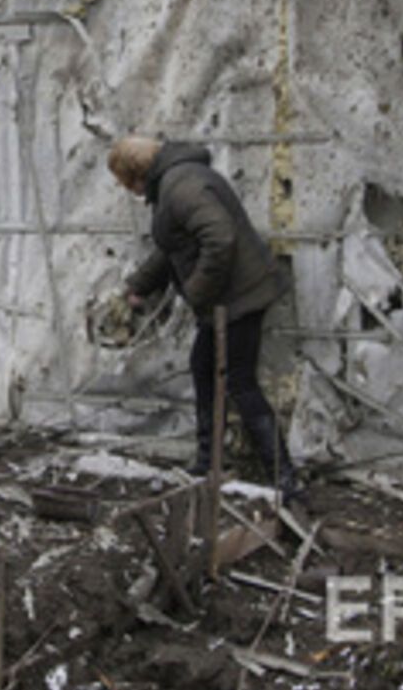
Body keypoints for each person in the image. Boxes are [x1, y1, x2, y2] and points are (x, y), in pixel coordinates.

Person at [108, 135, 300, 500]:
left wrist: (197, 292)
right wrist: (139, 287)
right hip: (231, 296)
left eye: (126, 183)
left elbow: (221, 238)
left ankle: (284, 476)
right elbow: (172, 247)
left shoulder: (182, 188)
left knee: (240, 382)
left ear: (136, 175)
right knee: (204, 366)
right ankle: (208, 461)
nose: (129, 191)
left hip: (239, 297)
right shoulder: (177, 180)